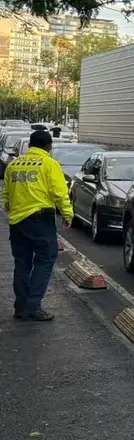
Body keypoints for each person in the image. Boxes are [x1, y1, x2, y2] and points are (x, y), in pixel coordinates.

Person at [2, 129, 72, 321]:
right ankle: (33, 306)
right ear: (49, 146)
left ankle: (21, 306)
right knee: (45, 260)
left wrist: (13, 210)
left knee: (22, 264)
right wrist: (67, 214)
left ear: (31, 145)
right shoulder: (50, 164)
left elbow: (5, 196)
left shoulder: (14, 165)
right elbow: (60, 193)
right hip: (41, 221)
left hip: (17, 222)